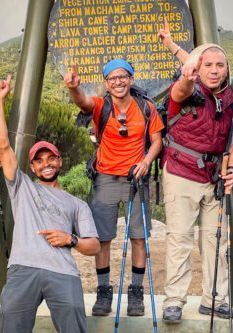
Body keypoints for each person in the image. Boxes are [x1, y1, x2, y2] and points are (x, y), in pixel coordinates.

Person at [0, 75, 100, 333]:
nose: (46, 164)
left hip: (63, 273)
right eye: (39, 160)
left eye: (50, 158)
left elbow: (93, 246)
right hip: (22, 270)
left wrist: (71, 239)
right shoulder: (22, 187)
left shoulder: (77, 204)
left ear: (60, 161)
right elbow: (3, 145)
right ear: (32, 167)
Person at [63, 59, 163, 317]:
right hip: (105, 177)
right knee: (103, 239)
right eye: (112, 79)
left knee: (138, 238)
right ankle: (104, 291)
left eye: (123, 77)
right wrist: (74, 88)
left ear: (130, 79)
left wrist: (146, 161)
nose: (118, 82)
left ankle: (137, 293)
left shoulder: (146, 107)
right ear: (106, 83)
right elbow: (82, 102)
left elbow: (156, 141)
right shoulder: (101, 106)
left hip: (136, 178)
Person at [160, 43, 233, 324]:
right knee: (180, 239)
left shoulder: (231, 98)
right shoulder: (188, 89)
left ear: (227, 68)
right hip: (181, 172)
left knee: (215, 241)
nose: (214, 71)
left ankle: (215, 300)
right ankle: (174, 301)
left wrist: (231, 169)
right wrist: (186, 75)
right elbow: (179, 91)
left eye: (220, 65)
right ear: (199, 67)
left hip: (214, 176)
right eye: (208, 65)